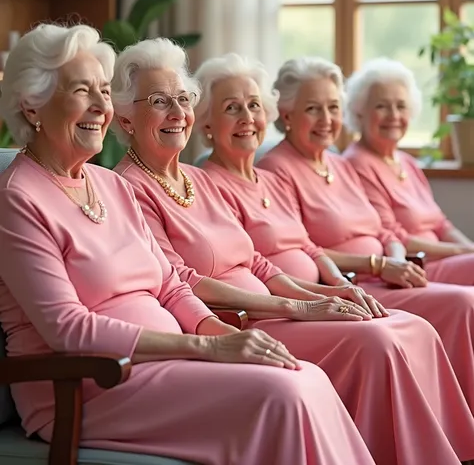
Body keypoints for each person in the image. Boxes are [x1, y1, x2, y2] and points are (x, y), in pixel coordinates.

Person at [0, 24, 381, 465]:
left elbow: (172, 286)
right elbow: (67, 329)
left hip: (162, 366)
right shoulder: (18, 199)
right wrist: (207, 348)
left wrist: (227, 335)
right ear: (32, 106)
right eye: (83, 91)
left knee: (303, 376)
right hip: (90, 385)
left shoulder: (109, 185)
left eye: (104, 91)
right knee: (283, 394)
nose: (101, 106)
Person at [112, 38, 474, 465]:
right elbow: (179, 283)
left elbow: (258, 262)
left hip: (281, 305)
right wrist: (300, 304)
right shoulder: (127, 186)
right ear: (126, 118)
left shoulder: (197, 179)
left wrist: (326, 294)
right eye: (158, 101)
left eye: (181, 99)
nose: (176, 112)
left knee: (411, 326)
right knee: (377, 339)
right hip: (245, 319)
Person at [257, 55, 474, 416]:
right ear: (287, 114)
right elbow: (303, 250)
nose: (326, 120)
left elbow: (386, 228)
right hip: (356, 284)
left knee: (459, 304)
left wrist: (395, 257)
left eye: (332, 107)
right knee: (463, 303)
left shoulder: (339, 165)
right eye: (313, 108)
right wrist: (378, 264)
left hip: (389, 275)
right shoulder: (276, 169)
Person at [344, 57, 474, 287]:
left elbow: (441, 225)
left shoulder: (407, 162)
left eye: (400, 106)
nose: (393, 115)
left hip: (447, 260)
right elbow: (392, 235)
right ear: (359, 112)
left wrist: (469, 249)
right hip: (415, 267)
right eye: (381, 106)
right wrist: (460, 251)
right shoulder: (356, 164)